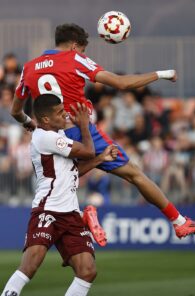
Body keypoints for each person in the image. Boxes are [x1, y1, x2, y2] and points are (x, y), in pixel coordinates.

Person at [10, 23, 195, 238]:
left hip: (49, 137)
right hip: (79, 130)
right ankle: (178, 221)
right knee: (134, 174)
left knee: (61, 183)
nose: (83, 54)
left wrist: (28, 121)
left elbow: (15, 110)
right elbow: (121, 83)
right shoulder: (74, 58)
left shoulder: (28, 67)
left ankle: (83, 219)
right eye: (84, 50)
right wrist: (162, 74)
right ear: (75, 46)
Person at [1, 94, 118, 296]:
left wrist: (101, 158)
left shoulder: (59, 137)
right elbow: (87, 151)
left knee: (87, 270)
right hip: (48, 210)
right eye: (59, 112)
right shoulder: (45, 137)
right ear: (46, 119)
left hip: (71, 214)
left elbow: (74, 172)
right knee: (31, 265)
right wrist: (84, 125)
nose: (64, 114)